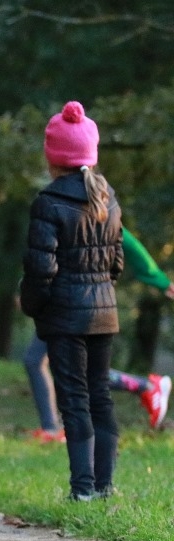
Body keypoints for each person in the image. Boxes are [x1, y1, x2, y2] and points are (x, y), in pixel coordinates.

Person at [20, 101, 123, 502]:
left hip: (65, 317)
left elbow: (40, 269)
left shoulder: (48, 202)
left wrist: (33, 304)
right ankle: (104, 487)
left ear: (54, 158)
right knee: (101, 395)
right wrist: (101, 291)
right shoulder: (107, 198)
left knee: (75, 400)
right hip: (104, 313)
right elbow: (116, 263)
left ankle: (82, 490)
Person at [25, 227, 173, 442]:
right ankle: (52, 428)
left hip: (76, 301)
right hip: (62, 300)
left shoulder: (93, 211)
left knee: (61, 366)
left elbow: (129, 243)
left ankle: (147, 386)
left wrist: (159, 280)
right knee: (44, 362)